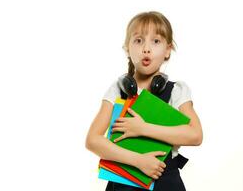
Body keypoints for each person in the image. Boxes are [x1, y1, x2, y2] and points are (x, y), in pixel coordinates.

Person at [85, 11, 203, 191]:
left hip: (166, 182)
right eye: (138, 40)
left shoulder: (176, 91)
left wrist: (142, 128)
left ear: (167, 50)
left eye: (156, 41)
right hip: (123, 182)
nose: (146, 48)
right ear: (127, 48)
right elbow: (92, 140)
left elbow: (195, 135)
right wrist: (138, 161)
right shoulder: (117, 90)